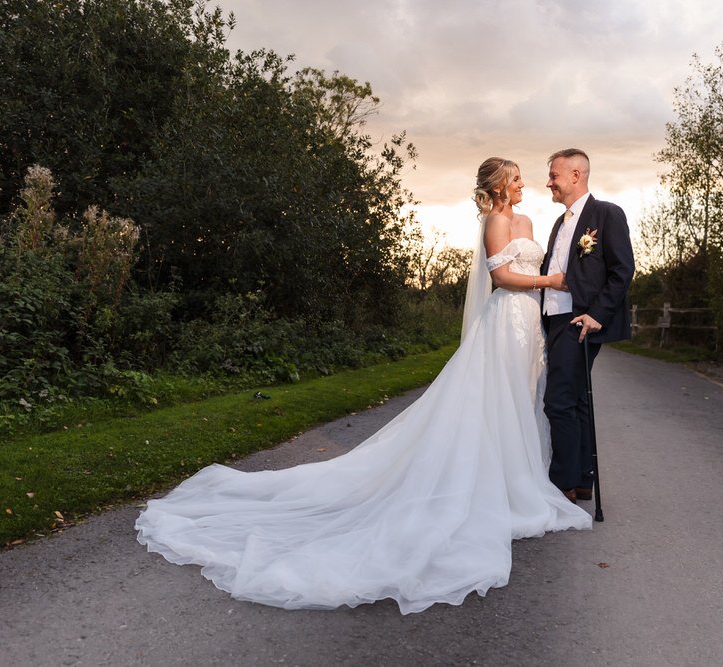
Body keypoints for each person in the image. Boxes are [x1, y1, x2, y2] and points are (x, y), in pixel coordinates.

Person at [135, 157, 592, 615]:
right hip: (505, 319)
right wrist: (548, 280)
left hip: (530, 323)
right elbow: (500, 277)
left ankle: (518, 480)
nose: (523, 184)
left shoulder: (530, 221)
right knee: (494, 402)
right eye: (515, 178)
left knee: (520, 400)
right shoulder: (495, 221)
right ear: (497, 186)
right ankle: (495, 486)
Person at [541, 149, 635, 502]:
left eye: (554, 175)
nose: (549, 182)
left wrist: (597, 314)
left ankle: (560, 485)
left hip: (579, 320)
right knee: (576, 399)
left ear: (576, 175)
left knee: (558, 400)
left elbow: (622, 270)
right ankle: (581, 481)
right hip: (554, 319)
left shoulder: (606, 214)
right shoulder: (560, 222)